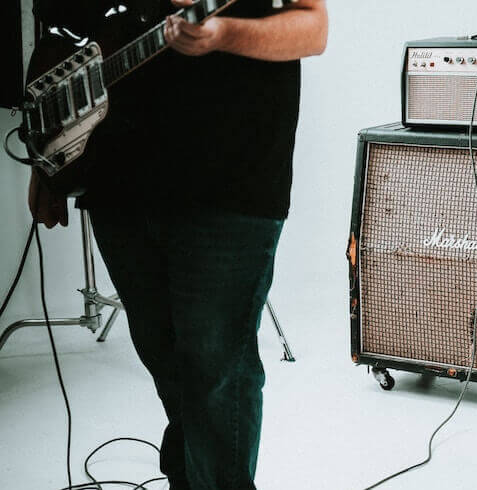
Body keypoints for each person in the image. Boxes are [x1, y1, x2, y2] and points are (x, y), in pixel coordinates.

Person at [28, 1, 328, 488]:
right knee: (165, 361)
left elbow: (313, 28)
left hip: (229, 179)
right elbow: (67, 26)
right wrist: (50, 152)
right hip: (117, 181)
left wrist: (225, 34)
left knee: (216, 373)